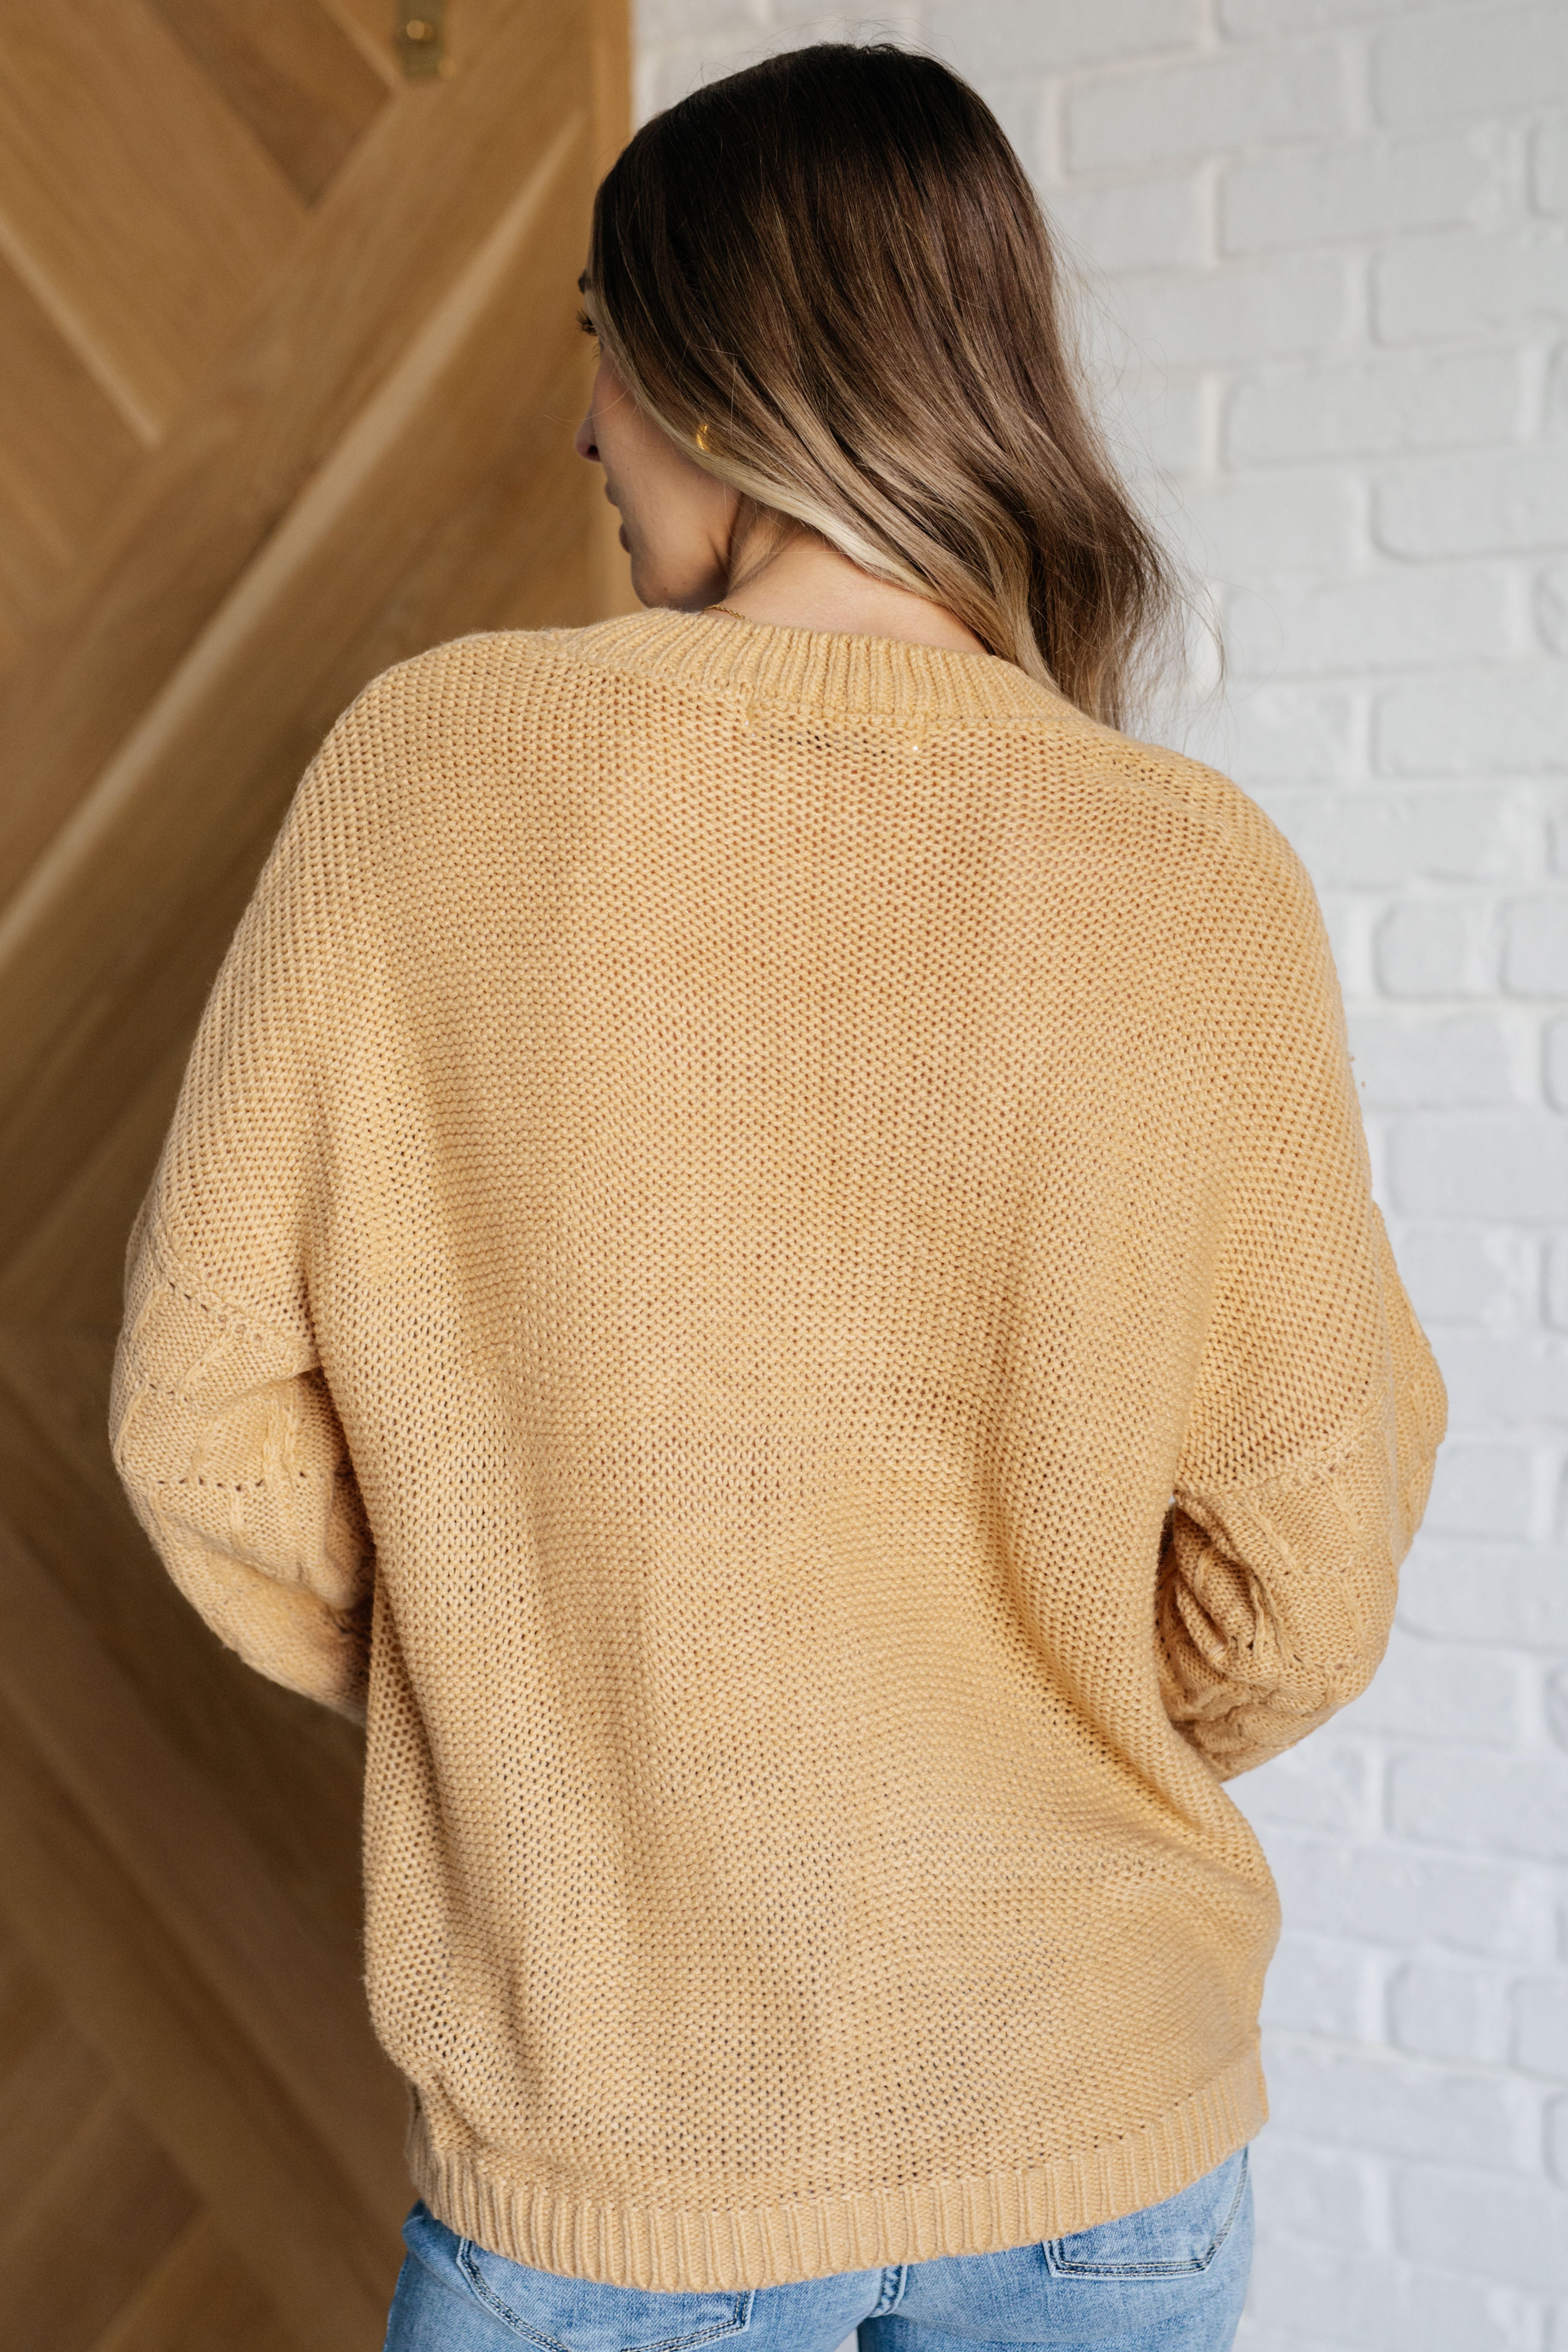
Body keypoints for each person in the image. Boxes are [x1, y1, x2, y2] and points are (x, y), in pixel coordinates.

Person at [109, 43, 1447, 2352]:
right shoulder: (1190, 877)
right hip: (1098, 2141)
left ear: (724, 375)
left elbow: (198, 1424)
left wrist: (536, 1691)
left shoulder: (432, 778)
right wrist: (981, 1716)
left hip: (607, 2163)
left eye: (600, 352)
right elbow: (1307, 1567)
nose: (584, 430)